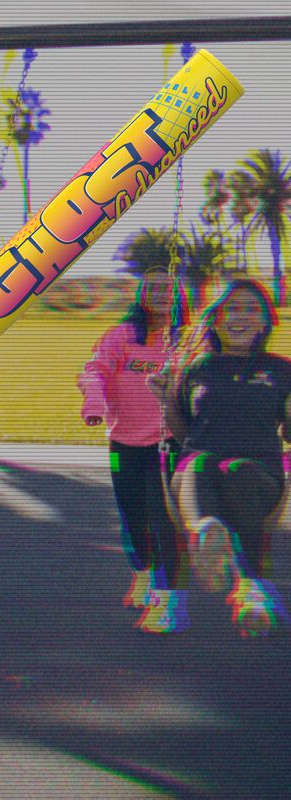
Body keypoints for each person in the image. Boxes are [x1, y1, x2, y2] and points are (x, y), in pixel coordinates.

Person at [148, 278, 291, 637]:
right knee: (200, 462)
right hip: (196, 478)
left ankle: (242, 578)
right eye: (231, 308)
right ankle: (209, 542)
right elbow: (183, 433)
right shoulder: (198, 367)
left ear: (265, 321)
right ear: (216, 319)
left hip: (258, 477)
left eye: (251, 309)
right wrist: (164, 398)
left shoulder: (282, 369)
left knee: (238, 470)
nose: (240, 316)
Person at [78, 267, 189, 633]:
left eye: (168, 289)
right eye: (153, 288)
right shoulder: (122, 336)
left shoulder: (188, 339)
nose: (160, 294)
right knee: (131, 516)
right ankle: (141, 572)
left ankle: (166, 599)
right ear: (141, 295)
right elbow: (93, 370)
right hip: (123, 444)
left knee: (165, 520)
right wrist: (94, 403)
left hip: (171, 444)